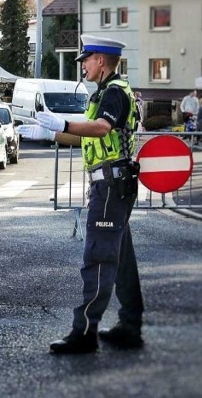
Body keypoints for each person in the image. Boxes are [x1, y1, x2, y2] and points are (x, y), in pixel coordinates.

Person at [18, 34, 143, 354]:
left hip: (111, 186)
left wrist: (64, 123)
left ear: (101, 60)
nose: (83, 66)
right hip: (114, 184)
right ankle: (130, 325)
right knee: (122, 259)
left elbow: (101, 128)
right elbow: (91, 138)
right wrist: (53, 132)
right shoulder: (106, 92)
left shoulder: (113, 93)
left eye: (86, 59)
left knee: (98, 259)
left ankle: (84, 332)